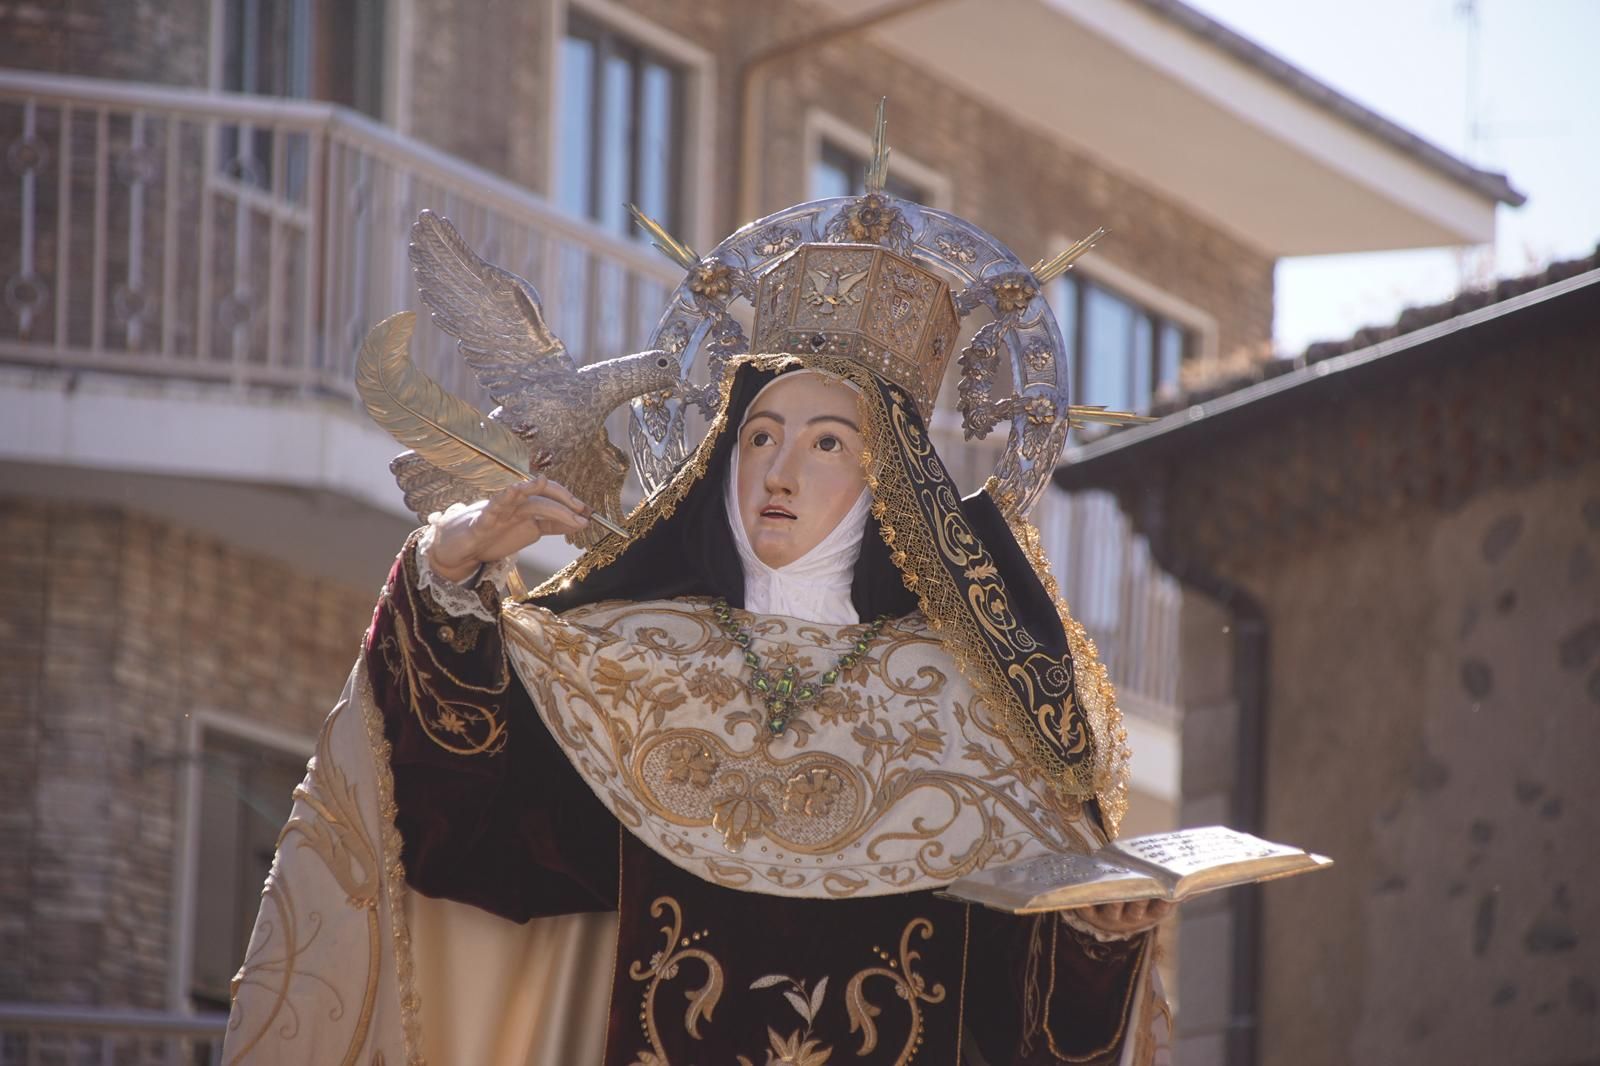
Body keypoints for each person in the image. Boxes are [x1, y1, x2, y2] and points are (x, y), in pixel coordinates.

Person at [224, 211, 1173, 1064]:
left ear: (894, 481)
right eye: (760, 435)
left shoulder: (976, 704)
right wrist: (453, 575)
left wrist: (1098, 942)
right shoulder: (630, 662)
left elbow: (1027, 1020)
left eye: (828, 442)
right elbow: (460, 833)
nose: (781, 468)